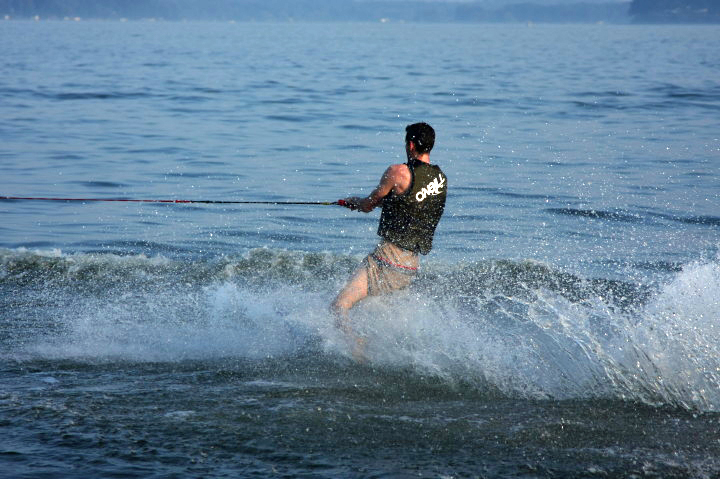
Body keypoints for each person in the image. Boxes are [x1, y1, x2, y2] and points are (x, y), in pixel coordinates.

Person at [332, 122, 447, 355]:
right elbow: (408, 203)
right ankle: (379, 352)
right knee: (369, 310)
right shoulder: (440, 178)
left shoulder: (398, 172)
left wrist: (355, 202)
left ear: (411, 144)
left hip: (387, 259)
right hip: (411, 265)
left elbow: (368, 204)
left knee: (338, 307)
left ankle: (357, 352)